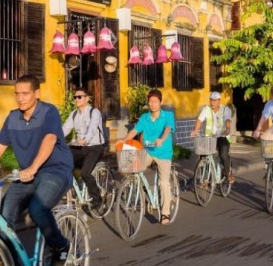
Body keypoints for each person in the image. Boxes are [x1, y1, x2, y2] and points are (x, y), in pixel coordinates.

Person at [0, 75, 74, 266]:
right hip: (27, 175)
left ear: (37, 93)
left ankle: (60, 246)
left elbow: (50, 139)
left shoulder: (48, 112)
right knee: (3, 216)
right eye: (17, 94)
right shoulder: (12, 118)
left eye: (25, 94)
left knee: (37, 208)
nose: (20, 98)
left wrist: (33, 168)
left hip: (55, 171)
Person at [118, 89, 176, 225]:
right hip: (148, 151)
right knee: (131, 168)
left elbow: (168, 129)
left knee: (164, 182)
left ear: (161, 102)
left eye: (155, 101)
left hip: (163, 153)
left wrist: (161, 139)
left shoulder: (168, 115)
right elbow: (135, 131)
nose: (153, 104)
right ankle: (142, 190)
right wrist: (124, 140)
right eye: (150, 101)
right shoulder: (145, 117)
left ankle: (165, 212)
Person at [62, 87, 105, 209]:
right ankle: (70, 191)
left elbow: (92, 129)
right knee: (63, 162)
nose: (77, 99)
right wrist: (53, 138)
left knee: (86, 173)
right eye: (75, 97)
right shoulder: (74, 114)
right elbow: (65, 129)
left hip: (95, 147)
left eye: (79, 97)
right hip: (80, 147)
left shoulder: (94, 112)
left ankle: (97, 199)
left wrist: (85, 139)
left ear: (87, 98)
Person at [190, 91, 234, 184]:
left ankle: (228, 173)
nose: (212, 102)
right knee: (203, 155)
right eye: (211, 100)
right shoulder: (206, 109)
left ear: (219, 101)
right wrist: (195, 130)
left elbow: (227, 120)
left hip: (222, 136)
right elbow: (199, 120)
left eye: (214, 100)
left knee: (223, 154)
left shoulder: (225, 109)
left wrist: (227, 128)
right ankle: (205, 179)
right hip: (209, 138)